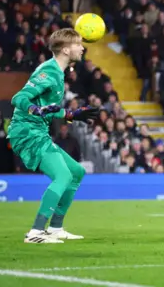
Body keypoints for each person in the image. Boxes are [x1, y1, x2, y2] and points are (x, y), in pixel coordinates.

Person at [7, 28, 99, 243]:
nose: (82, 47)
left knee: (76, 171)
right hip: (27, 132)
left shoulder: (58, 72)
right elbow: (18, 98)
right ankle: (36, 232)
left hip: (37, 130)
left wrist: (71, 114)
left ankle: (55, 228)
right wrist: (34, 110)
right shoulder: (48, 72)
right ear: (66, 49)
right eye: (78, 44)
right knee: (63, 176)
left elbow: (47, 108)